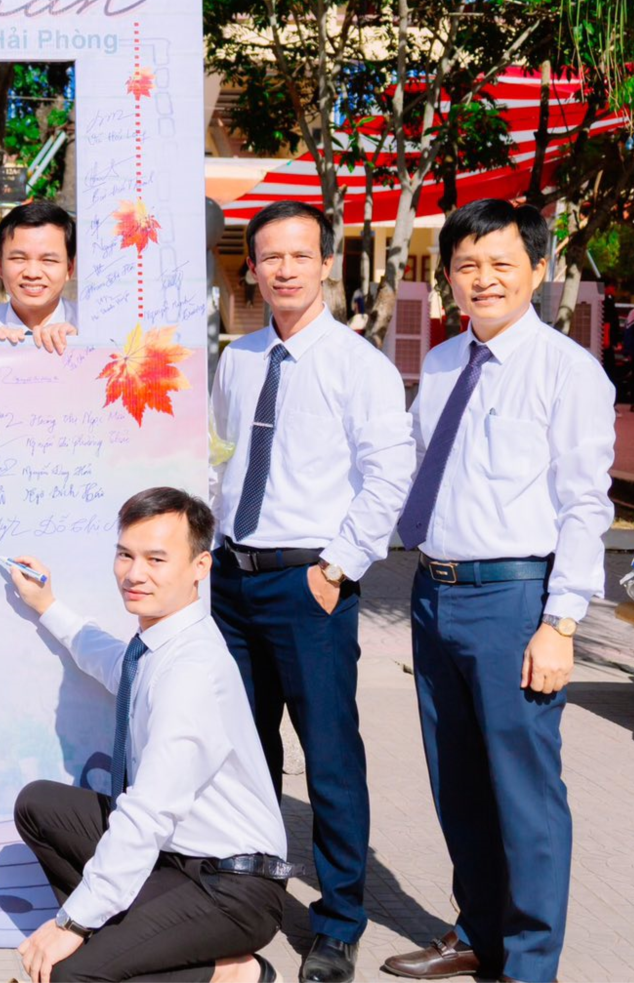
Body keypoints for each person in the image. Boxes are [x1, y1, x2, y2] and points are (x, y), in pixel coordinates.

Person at [382, 200, 613, 983]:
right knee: (458, 782)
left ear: (538, 270)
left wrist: (561, 622)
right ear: (448, 276)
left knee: (525, 791)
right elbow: (412, 467)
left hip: (514, 601)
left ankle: (530, 962)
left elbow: (585, 504)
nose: (484, 279)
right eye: (467, 265)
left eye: (501, 264)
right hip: (433, 592)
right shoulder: (444, 362)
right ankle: (478, 931)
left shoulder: (567, 372)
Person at [209, 201, 413, 983]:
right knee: (243, 752)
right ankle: (246, 898)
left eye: (300, 255)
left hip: (309, 584)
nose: (285, 269)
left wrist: (336, 568)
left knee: (328, 757)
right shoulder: (238, 357)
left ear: (326, 263)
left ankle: (338, 920)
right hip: (232, 580)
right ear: (253, 268)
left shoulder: (359, 365)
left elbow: (388, 475)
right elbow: (219, 460)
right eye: (271, 256)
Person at [5, 487, 289, 983]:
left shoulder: (192, 671)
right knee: (39, 806)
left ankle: (234, 974)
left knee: (70, 974)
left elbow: (149, 810)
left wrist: (73, 922)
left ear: (200, 567)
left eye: (156, 559)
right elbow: (115, 663)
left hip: (232, 889)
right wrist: (48, 606)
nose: (135, 574)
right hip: (176, 858)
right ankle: (131, 944)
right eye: (125, 555)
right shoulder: (159, 647)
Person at [0, 201, 80, 355]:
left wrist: (82, 348)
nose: (32, 273)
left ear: (69, 269)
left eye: (48, 260)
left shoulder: (95, 331)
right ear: (0, 266)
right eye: (19, 258)